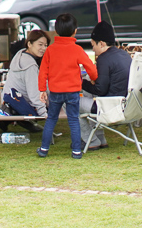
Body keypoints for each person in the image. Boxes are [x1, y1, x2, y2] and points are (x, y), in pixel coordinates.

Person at [37, 13, 97, 159]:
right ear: (75, 30)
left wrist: (42, 89)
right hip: (73, 92)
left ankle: (44, 149)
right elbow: (91, 67)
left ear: (56, 30)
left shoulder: (50, 50)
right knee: (73, 120)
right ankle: (76, 151)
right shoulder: (77, 49)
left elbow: (43, 71)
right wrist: (94, 79)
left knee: (51, 119)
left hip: (55, 91)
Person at [79, 21, 132, 151]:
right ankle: (100, 139)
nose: (93, 49)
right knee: (87, 95)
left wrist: (81, 82)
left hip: (110, 108)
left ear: (101, 43)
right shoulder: (124, 54)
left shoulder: (103, 58)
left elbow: (100, 90)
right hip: (127, 105)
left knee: (69, 102)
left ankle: (90, 140)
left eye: (93, 45)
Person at [0, 30, 49, 133]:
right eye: (40, 44)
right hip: (20, 104)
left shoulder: (20, 55)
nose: (43, 48)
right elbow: (35, 93)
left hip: (8, 100)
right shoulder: (30, 66)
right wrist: (44, 114)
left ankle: (13, 118)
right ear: (29, 44)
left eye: (45, 45)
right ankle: (23, 118)